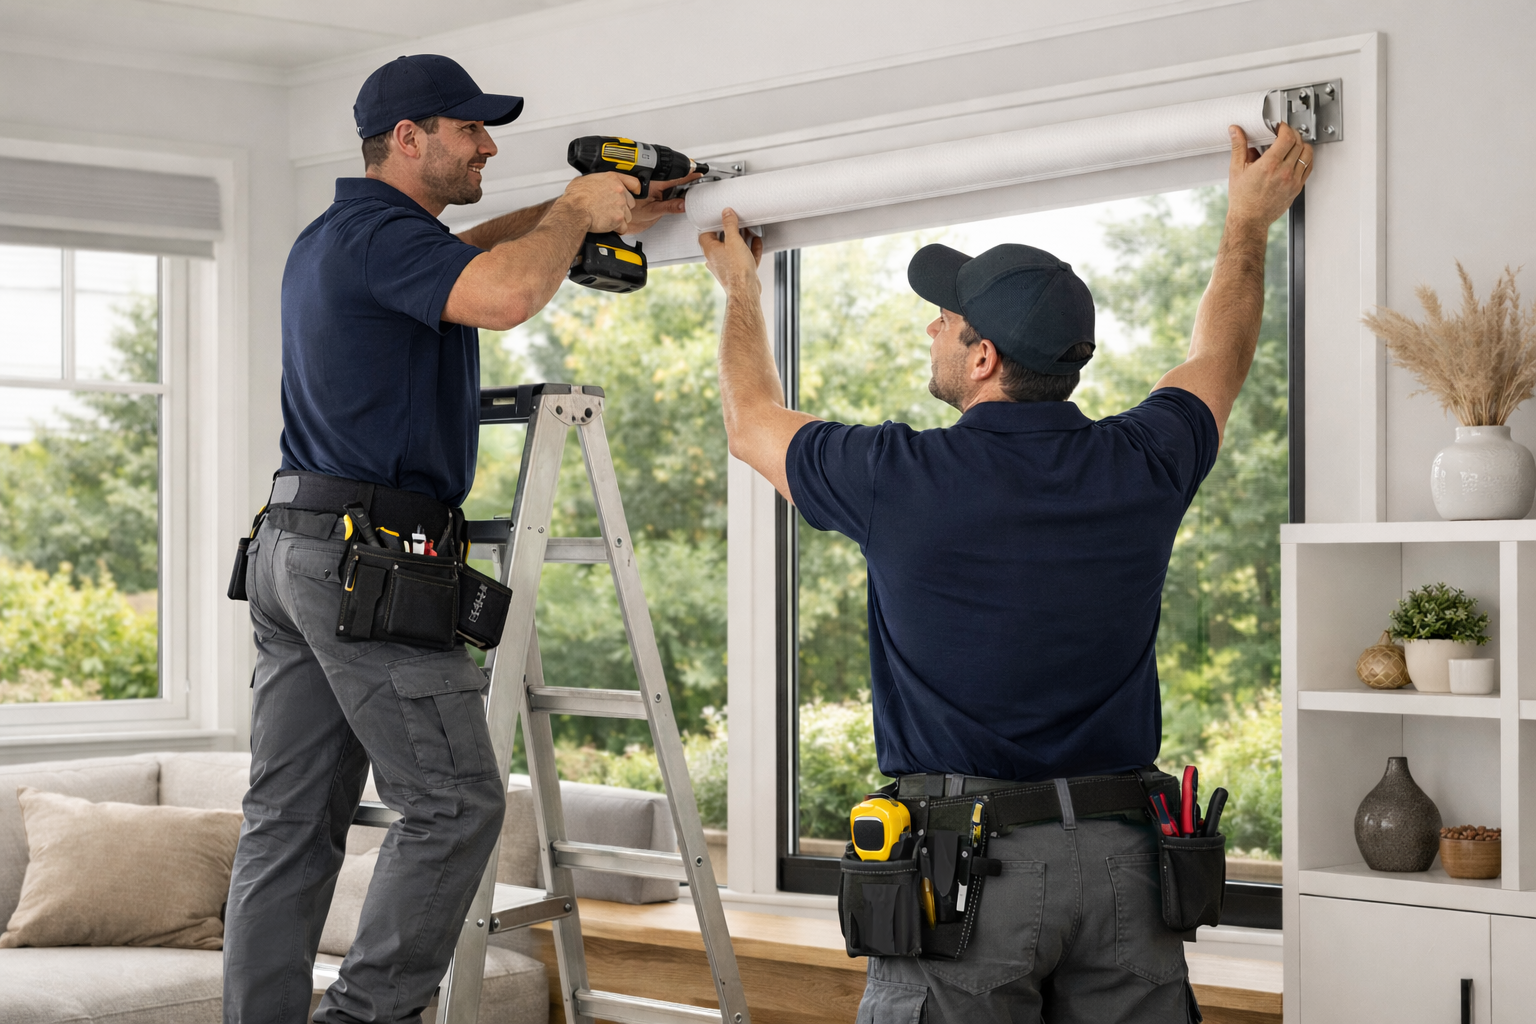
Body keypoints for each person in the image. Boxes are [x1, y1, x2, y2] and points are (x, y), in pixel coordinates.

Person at [700, 122, 1314, 1023]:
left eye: (946, 320)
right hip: (1123, 870)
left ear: (982, 358)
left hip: (967, 875)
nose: (933, 328)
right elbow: (1223, 354)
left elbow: (751, 420)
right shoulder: (1143, 462)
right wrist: (1249, 223)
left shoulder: (898, 476)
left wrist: (740, 290)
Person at [223, 54, 695, 1024]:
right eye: (469, 128)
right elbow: (505, 295)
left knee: (289, 823)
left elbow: (474, 257)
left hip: (295, 545)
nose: (487, 145)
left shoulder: (342, 239)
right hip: (369, 561)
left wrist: (577, 216)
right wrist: (569, 212)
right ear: (408, 138)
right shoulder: (376, 241)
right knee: (455, 803)